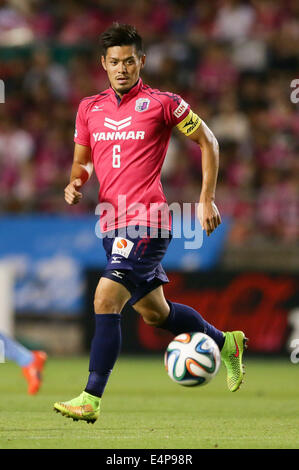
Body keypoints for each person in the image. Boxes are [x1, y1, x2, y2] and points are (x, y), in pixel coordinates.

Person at [53, 23, 247, 424]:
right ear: (102, 64)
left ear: (141, 61)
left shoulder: (163, 103)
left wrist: (206, 198)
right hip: (110, 223)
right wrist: (76, 182)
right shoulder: (89, 108)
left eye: (129, 61)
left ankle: (91, 397)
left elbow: (208, 141)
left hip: (148, 221)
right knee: (155, 314)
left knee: (105, 297)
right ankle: (226, 342)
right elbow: (82, 161)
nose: (121, 68)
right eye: (114, 62)